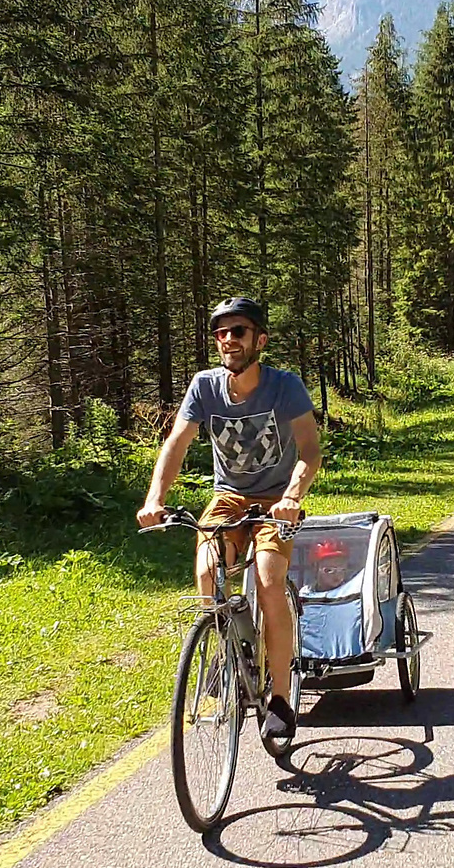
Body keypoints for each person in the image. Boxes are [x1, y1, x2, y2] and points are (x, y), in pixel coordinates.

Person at [137, 297, 321, 741]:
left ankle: (278, 698)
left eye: (238, 332)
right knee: (206, 568)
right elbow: (176, 445)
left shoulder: (285, 386)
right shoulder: (204, 387)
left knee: (268, 577)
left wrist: (292, 498)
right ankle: (224, 647)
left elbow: (310, 452)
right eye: (221, 333)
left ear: (260, 340)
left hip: (278, 498)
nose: (228, 340)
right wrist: (154, 498)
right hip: (228, 498)